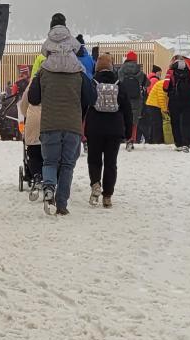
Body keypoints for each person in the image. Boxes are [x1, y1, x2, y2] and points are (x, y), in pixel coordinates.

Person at [26, 16, 93, 216]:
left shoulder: (43, 71)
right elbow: (91, 97)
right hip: (72, 125)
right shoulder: (79, 72)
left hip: (49, 124)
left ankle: (49, 188)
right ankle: (62, 205)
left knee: (49, 162)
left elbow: (33, 98)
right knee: (67, 166)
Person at [83, 54, 134, 208]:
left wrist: (81, 125)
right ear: (112, 66)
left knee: (94, 159)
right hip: (114, 129)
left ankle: (95, 183)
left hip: (94, 128)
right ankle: (107, 196)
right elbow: (127, 109)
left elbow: (84, 105)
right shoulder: (119, 84)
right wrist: (128, 131)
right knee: (111, 163)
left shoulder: (92, 83)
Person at [118, 51, 148, 151]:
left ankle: (124, 138)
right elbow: (147, 83)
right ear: (135, 59)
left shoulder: (120, 70)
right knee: (134, 120)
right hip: (136, 99)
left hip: (123, 98)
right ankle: (131, 140)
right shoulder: (139, 71)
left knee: (123, 118)